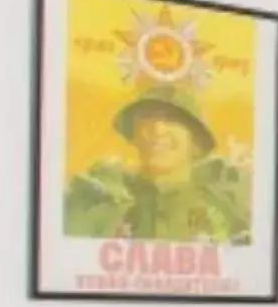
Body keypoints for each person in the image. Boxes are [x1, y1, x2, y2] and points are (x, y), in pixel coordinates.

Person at [61, 83, 252, 244]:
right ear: (134, 136)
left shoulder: (227, 208)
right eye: (147, 118)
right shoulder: (100, 199)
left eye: (172, 120)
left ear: (195, 143)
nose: (158, 129)